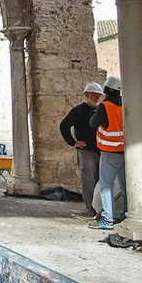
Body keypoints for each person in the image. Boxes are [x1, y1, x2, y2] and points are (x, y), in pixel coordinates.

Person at [58, 82, 104, 220]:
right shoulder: (78, 111)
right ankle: (91, 209)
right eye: (94, 95)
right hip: (86, 150)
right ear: (87, 95)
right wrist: (73, 142)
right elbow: (64, 126)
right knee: (89, 179)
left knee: (103, 181)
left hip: (102, 149)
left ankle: (102, 209)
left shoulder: (102, 110)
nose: (97, 97)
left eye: (99, 95)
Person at [88, 76, 126, 230]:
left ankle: (108, 219)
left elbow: (93, 123)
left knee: (106, 186)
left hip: (110, 151)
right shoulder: (125, 104)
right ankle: (125, 216)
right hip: (125, 151)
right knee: (125, 187)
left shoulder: (105, 106)